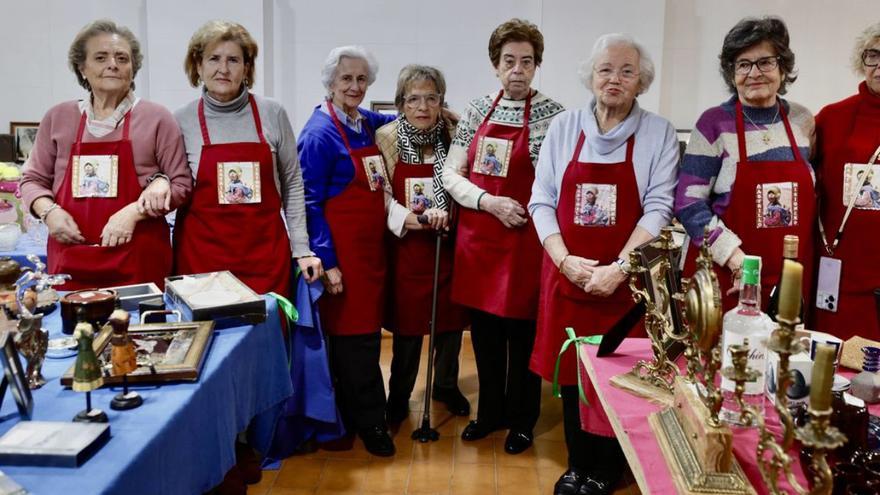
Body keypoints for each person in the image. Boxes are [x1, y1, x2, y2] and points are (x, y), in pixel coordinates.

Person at [529, 33, 678, 495]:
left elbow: (658, 207)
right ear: (590, 77)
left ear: (641, 81)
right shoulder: (563, 127)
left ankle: (609, 468)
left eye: (626, 71)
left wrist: (619, 267)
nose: (614, 79)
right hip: (568, 274)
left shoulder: (659, 132)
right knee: (575, 374)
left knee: (619, 378)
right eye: (605, 70)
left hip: (626, 283)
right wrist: (564, 260)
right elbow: (541, 201)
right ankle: (578, 462)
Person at [442, 18, 565, 454]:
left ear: (536, 66)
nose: (517, 69)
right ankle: (489, 413)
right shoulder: (477, 110)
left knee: (524, 335)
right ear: (495, 65)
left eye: (526, 62)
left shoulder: (555, 116)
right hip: (479, 242)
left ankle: (522, 420)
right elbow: (450, 174)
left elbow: (558, 184)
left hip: (526, 245)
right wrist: (487, 202)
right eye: (509, 61)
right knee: (486, 335)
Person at [20, 19, 191, 290]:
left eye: (122, 58)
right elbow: (31, 180)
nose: (112, 63)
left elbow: (181, 185)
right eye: (101, 57)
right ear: (82, 68)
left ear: (133, 68)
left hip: (138, 259)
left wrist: (133, 213)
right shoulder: (58, 117)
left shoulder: (157, 118)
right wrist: (49, 212)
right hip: (70, 258)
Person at [674, 16, 815, 311]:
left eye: (765, 62)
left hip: (790, 278)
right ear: (731, 72)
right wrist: (736, 258)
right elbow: (688, 204)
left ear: (782, 67)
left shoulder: (802, 121)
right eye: (743, 64)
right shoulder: (713, 124)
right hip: (728, 278)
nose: (754, 73)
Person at [298, 45, 398, 457]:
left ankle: (361, 414)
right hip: (343, 257)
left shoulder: (360, 121)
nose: (355, 86)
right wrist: (330, 262)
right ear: (330, 84)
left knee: (366, 340)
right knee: (352, 345)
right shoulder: (319, 133)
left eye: (361, 79)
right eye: (346, 80)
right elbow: (309, 204)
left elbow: (389, 118)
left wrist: (432, 114)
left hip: (371, 255)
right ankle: (371, 423)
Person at [173, 21, 321, 298]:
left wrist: (301, 248)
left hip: (265, 260)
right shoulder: (181, 120)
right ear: (198, 65)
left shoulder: (272, 112)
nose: (224, 69)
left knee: (268, 338)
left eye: (233, 60)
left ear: (247, 67)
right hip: (202, 263)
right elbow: (173, 186)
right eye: (214, 59)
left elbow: (292, 182)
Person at [374, 65, 470, 425]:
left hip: (448, 245)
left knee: (449, 325)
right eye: (413, 98)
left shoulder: (454, 134)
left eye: (432, 98)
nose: (423, 106)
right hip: (408, 248)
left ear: (442, 102)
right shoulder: (386, 137)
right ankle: (399, 394)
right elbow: (380, 193)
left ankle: (445, 384)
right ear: (400, 103)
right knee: (409, 328)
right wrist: (412, 220)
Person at [814, 21, 880, 340]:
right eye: (873, 55)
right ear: (862, 60)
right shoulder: (831, 118)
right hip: (833, 270)